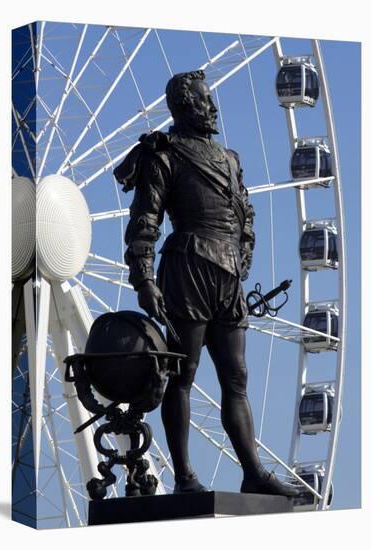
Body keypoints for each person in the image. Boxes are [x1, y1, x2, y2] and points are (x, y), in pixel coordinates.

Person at [113, 70, 299, 497]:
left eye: (212, 99)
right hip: (188, 269)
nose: (214, 107)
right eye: (205, 100)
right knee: (182, 375)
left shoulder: (230, 160)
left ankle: (252, 471)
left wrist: (243, 257)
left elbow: (245, 215)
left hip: (226, 275)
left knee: (237, 378)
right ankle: (184, 478)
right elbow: (144, 222)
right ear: (184, 105)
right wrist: (144, 279)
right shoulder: (163, 155)